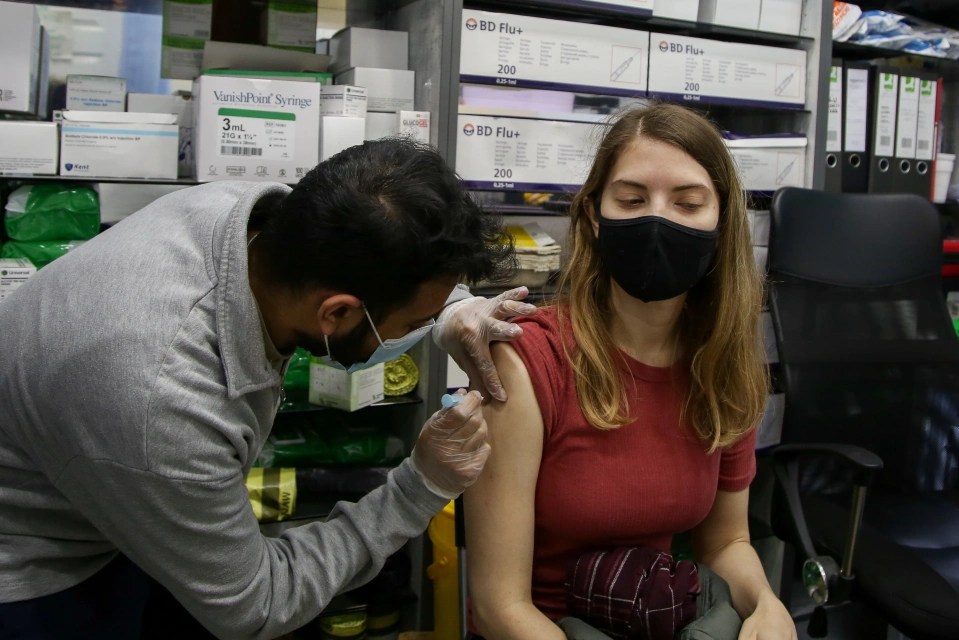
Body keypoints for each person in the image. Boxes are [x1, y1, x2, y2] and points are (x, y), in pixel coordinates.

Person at [0, 138, 535, 639]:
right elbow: (256, 606)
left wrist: (456, 310)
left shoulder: (256, 218)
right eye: (413, 323)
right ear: (338, 312)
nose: (416, 334)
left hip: (103, 492)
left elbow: (398, 258)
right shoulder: (162, 400)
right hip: (38, 566)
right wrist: (420, 486)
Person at [464, 103, 797, 639]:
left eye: (688, 203)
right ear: (595, 216)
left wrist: (766, 605)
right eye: (632, 199)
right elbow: (499, 606)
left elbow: (726, 542)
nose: (658, 219)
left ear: (721, 221)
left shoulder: (725, 370)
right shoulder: (530, 362)